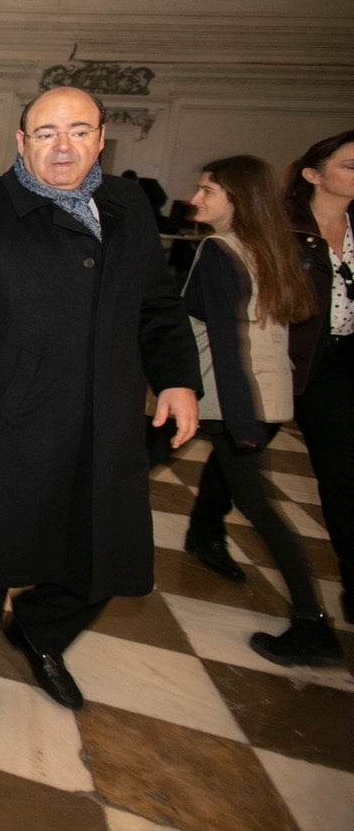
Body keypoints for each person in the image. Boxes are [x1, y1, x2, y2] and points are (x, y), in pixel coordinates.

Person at [0, 86, 199, 712]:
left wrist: (179, 379)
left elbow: (158, 305)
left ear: (102, 139)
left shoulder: (128, 204)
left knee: (109, 547)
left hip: (107, 419)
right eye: (46, 133)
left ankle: (41, 629)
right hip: (9, 417)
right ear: (21, 142)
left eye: (79, 130)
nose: (63, 145)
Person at [149, 156, 337, 665]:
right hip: (263, 398)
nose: (197, 199)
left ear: (239, 198)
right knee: (259, 508)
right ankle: (310, 621)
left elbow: (228, 347)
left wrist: (241, 423)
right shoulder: (272, 248)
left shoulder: (219, 250)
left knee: (119, 471)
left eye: (209, 190)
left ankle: (311, 625)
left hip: (218, 401)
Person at [286, 130, 354, 625]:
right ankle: (204, 527)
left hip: (338, 368)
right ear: (314, 173)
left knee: (342, 474)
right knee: (232, 451)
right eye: (349, 165)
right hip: (286, 361)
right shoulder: (285, 230)